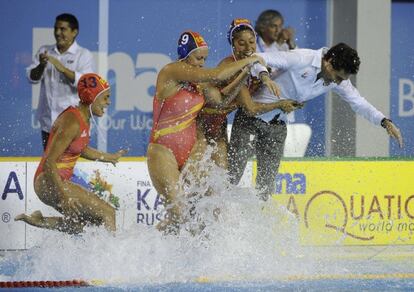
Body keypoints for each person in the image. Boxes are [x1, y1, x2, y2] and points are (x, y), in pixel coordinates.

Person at [229, 43, 403, 201]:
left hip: (277, 127)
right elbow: (257, 58)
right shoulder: (301, 58)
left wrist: (384, 121)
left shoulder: (336, 78)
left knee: (265, 190)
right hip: (250, 119)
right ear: (329, 62)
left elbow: (358, 102)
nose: (338, 82)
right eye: (338, 77)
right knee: (232, 175)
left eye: (342, 79)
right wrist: (265, 77)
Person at [147, 31, 266, 233]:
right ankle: (147, 250)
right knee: (178, 213)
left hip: (192, 150)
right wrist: (252, 59)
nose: (202, 63)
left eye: (205, 59)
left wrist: (245, 73)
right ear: (185, 54)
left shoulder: (199, 84)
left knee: (207, 207)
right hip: (162, 151)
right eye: (198, 58)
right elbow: (217, 75)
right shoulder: (171, 71)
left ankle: (198, 259)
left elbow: (220, 103)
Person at [15, 73, 127, 233]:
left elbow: (80, 148)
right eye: (105, 98)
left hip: (55, 182)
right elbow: (49, 161)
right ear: (91, 97)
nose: (108, 103)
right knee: (108, 212)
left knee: (84, 222)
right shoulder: (72, 122)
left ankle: (40, 220)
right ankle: (114, 256)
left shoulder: (83, 118)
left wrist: (110, 158)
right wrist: (64, 195)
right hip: (49, 181)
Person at [198, 18, 303, 169]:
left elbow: (275, 66)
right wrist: (279, 104)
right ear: (233, 45)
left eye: (252, 42)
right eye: (242, 43)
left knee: (223, 173)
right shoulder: (230, 66)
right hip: (200, 121)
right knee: (195, 168)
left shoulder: (255, 62)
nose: (248, 47)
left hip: (218, 121)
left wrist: (268, 76)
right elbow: (251, 109)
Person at [26, 13, 95, 150]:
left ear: (74, 32)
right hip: (48, 123)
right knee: (50, 165)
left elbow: (86, 85)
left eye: (63, 29)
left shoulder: (83, 55)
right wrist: (41, 66)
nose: (58, 33)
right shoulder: (45, 51)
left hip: (73, 123)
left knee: (68, 167)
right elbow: (32, 78)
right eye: (56, 29)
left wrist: (62, 69)